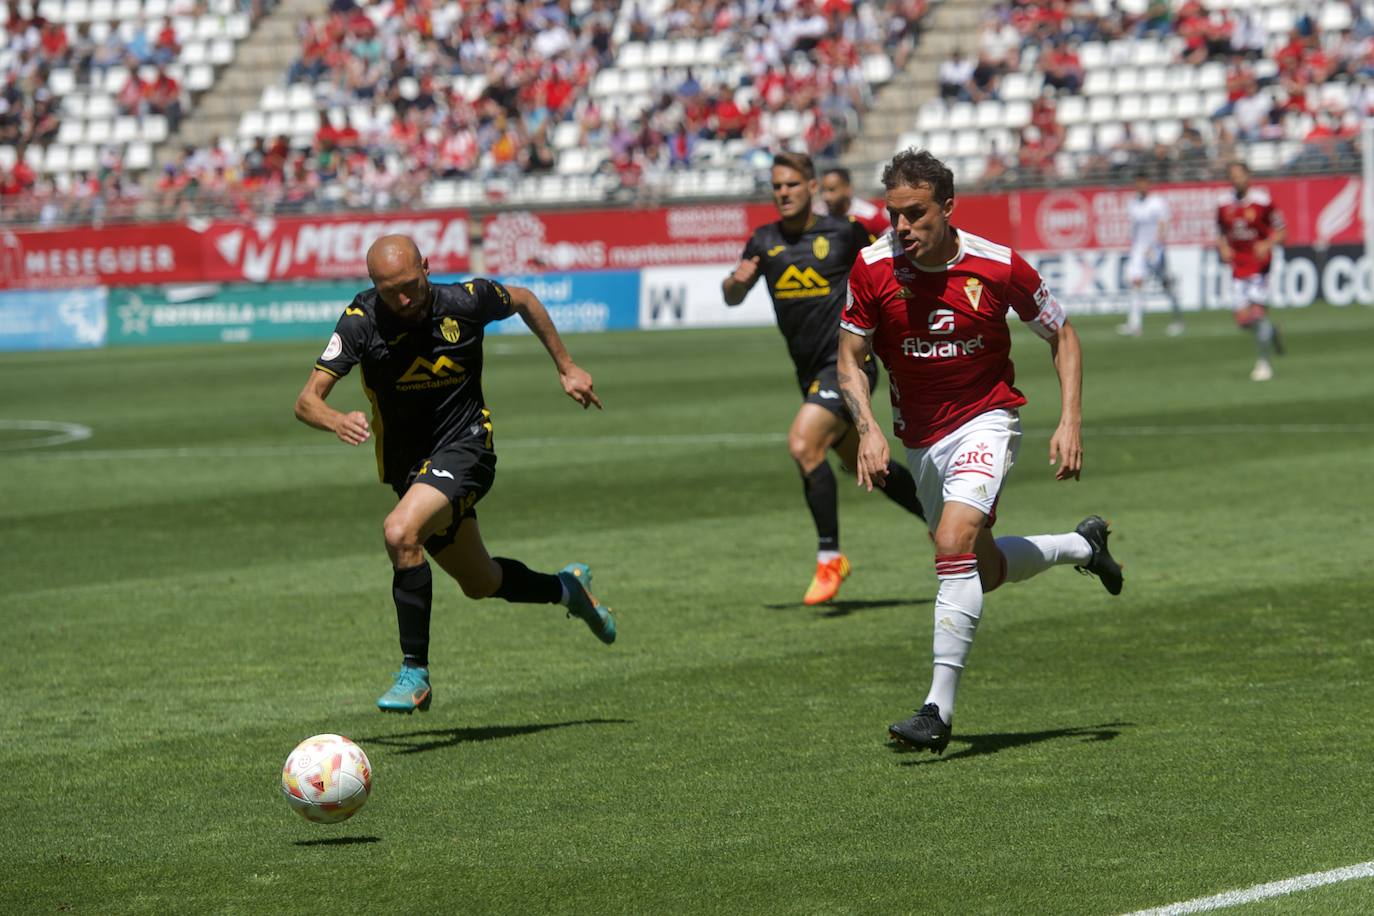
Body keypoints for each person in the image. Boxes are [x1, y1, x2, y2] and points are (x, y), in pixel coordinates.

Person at [836, 149, 1123, 754]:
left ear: (947, 207)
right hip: (920, 438)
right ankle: (1082, 546)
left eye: (915, 215)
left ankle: (936, 710)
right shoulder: (871, 267)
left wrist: (1070, 419)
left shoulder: (998, 266)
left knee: (952, 541)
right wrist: (866, 427)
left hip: (986, 420)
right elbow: (849, 360)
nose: (903, 227)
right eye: (895, 215)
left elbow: (1062, 335)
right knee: (981, 569)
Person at [294, 235, 616, 714]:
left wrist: (566, 366)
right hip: (412, 471)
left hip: (468, 447)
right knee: (481, 582)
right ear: (372, 286)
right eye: (389, 292)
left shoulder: (464, 301)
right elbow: (306, 401)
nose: (402, 300)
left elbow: (524, 298)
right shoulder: (361, 322)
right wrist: (336, 419)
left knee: (400, 531)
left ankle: (414, 673)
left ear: (426, 266)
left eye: (408, 285)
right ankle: (570, 589)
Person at [723, 152, 926, 606]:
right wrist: (736, 283)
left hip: (849, 365)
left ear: (812, 187)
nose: (783, 193)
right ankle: (940, 520)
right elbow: (732, 296)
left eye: (792, 185)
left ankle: (830, 557)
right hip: (809, 372)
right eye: (777, 187)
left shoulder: (845, 233)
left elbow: (896, 263)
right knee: (870, 464)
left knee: (803, 443)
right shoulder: (764, 240)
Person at [1217, 160, 1287, 381]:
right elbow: (1219, 231)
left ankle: (1264, 364)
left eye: (1239, 174)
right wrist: (1224, 248)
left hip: (1260, 265)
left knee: (1257, 313)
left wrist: (1267, 244)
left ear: (1248, 176)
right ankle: (1271, 332)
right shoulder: (1223, 204)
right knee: (1243, 321)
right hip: (1238, 266)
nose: (1236, 179)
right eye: (1232, 175)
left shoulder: (1263, 201)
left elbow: (1282, 230)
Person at [1118, 172, 1185, 337]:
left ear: (1148, 184)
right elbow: (1135, 228)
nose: (1140, 186)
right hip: (1138, 250)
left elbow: (1163, 224)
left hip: (1155, 249)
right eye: (1137, 183)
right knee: (1136, 283)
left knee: (1166, 284)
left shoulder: (1156, 203)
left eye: (1143, 183)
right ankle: (1135, 324)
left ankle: (1178, 319)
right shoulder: (1133, 204)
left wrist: (1157, 246)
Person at [820, 167, 890, 238]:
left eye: (832, 190)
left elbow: (891, 241)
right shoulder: (819, 216)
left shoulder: (870, 215)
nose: (826, 196)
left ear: (847, 188)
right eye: (823, 190)